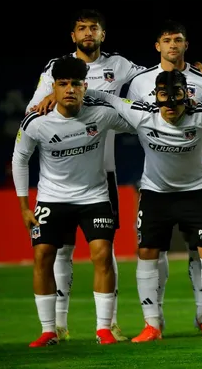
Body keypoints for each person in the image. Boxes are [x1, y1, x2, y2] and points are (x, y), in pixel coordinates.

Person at [27, 9, 146, 341]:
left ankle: (110, 323)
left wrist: (192, 71)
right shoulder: (55, 68)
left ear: (103, 34)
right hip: (63, 178)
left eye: (94, 28)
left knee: (103, 250)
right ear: (73, 36)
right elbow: (32, 112)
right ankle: (58, 324)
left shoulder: (120, 65)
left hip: (102, 172)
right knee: (61, 250)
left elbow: (152, 78)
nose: (88, 33)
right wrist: (52, 96)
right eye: (82, 28)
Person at [12, 55, 136, 347]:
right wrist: (24, 207)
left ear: (85, 87)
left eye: (76, 84)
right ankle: (49, 330)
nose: (70, 89)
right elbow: (19, 159)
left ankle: (104, 329)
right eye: (63, 84)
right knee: (43, 256)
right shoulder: (36, 121)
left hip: (94, 197)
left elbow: (139, 122)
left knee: (102, 255)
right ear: (53, 87)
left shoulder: (102, 114)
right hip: (52, 198)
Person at [122, 20, 202, 332]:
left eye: (178, 40)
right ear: (157, 45)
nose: (173, 45)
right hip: (156, 183)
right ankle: (153, 322)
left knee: (201, 251)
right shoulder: (140, 82)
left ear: (186, 44)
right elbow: (129, 115)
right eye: (167, 40)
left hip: (195, 181)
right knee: (152, 250)